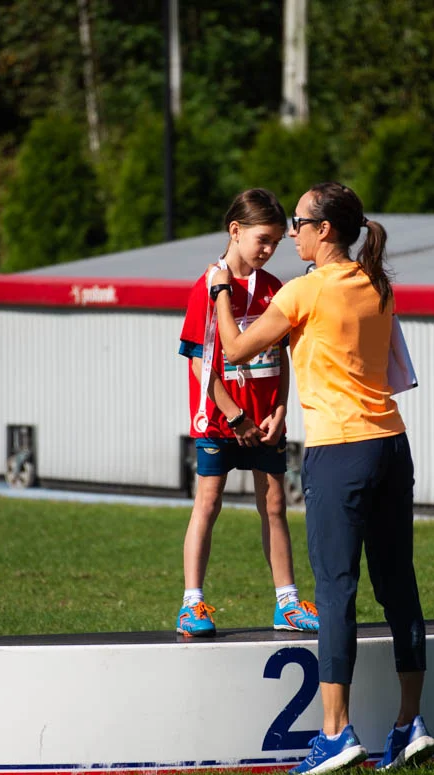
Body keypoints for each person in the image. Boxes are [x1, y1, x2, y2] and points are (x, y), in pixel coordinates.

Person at [209, 182, 434, 775]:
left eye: (299, 223)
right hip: (392, 445)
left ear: (324, 230)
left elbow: (235, 350)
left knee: (335, 591)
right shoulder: (377, 284)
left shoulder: (304, 292)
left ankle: (336, 733)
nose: (291, 233)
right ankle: (409, 723)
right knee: (399, 585)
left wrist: (221, 290)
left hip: (340, 454)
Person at [175, 188, 319, 637]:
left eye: (276, 242)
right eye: (262, 239)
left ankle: (287, 603)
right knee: (208, 502)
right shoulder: (208, 287)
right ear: (235, 230)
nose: (269, 249)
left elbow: (283, 357)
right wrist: (235, 416)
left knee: (275, 504)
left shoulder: (274, 288)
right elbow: (200, 363)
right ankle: (191, 604)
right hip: (221, 422)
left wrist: (280, 409)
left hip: (265, 424)